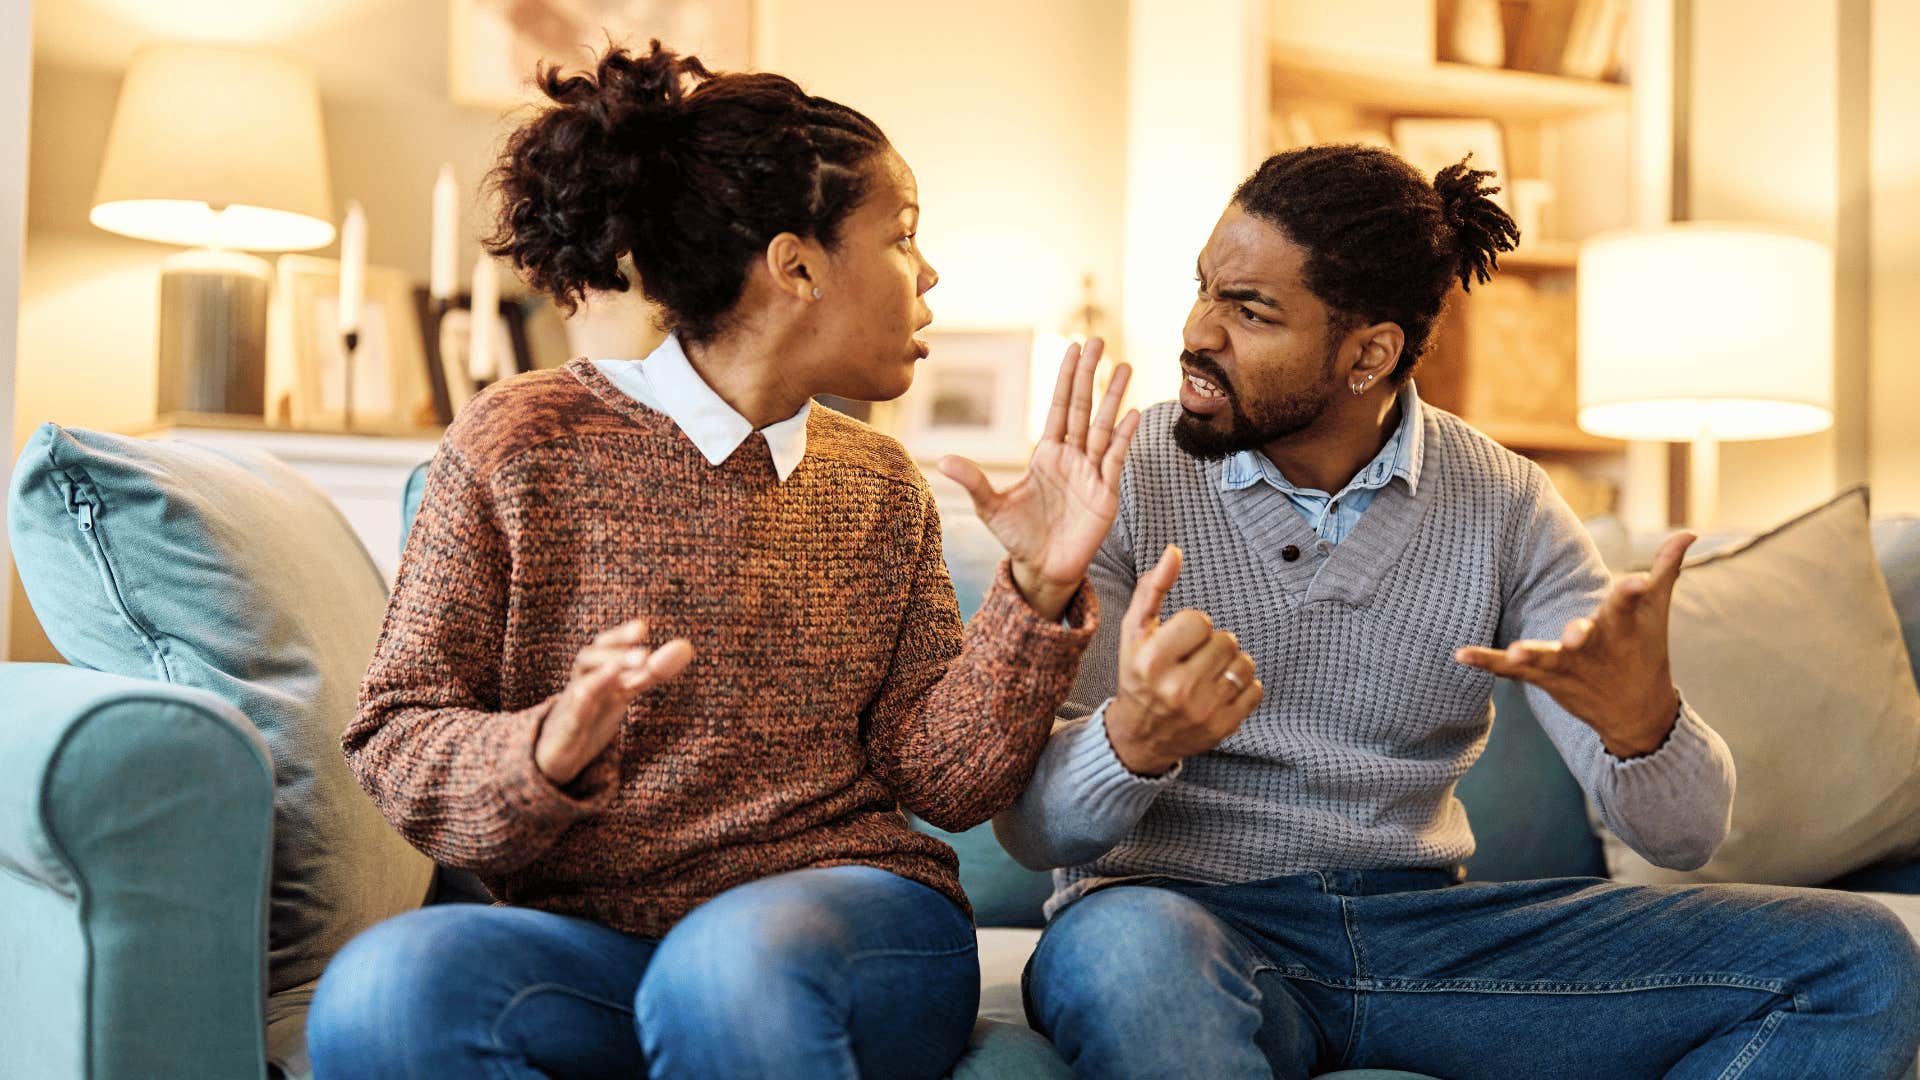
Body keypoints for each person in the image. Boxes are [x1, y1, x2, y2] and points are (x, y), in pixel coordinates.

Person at [306, 41, 1150, 1080]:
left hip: (855, 929)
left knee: (729, 967)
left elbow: (942, 779)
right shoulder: (518, 442)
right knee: (387, 991)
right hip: (594, 943)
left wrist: (1037, 590)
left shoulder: (879, 484)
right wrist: (542, 750)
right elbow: (397, 732)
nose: (928, 274)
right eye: (902, 237)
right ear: (797, 266)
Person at [993, 143, 1920, 1079]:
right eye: (1204, 289)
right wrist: (1134, 739)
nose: (1198, 330)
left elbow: (1684, 840)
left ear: (1369, 354)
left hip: (1422, 935)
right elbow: (1032, 833)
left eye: (1250, 310)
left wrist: (1646, 729)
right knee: (1130, 958)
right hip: (1179, 921)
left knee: (1859, 960)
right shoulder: (1115, 478)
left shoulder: (1507, 502)